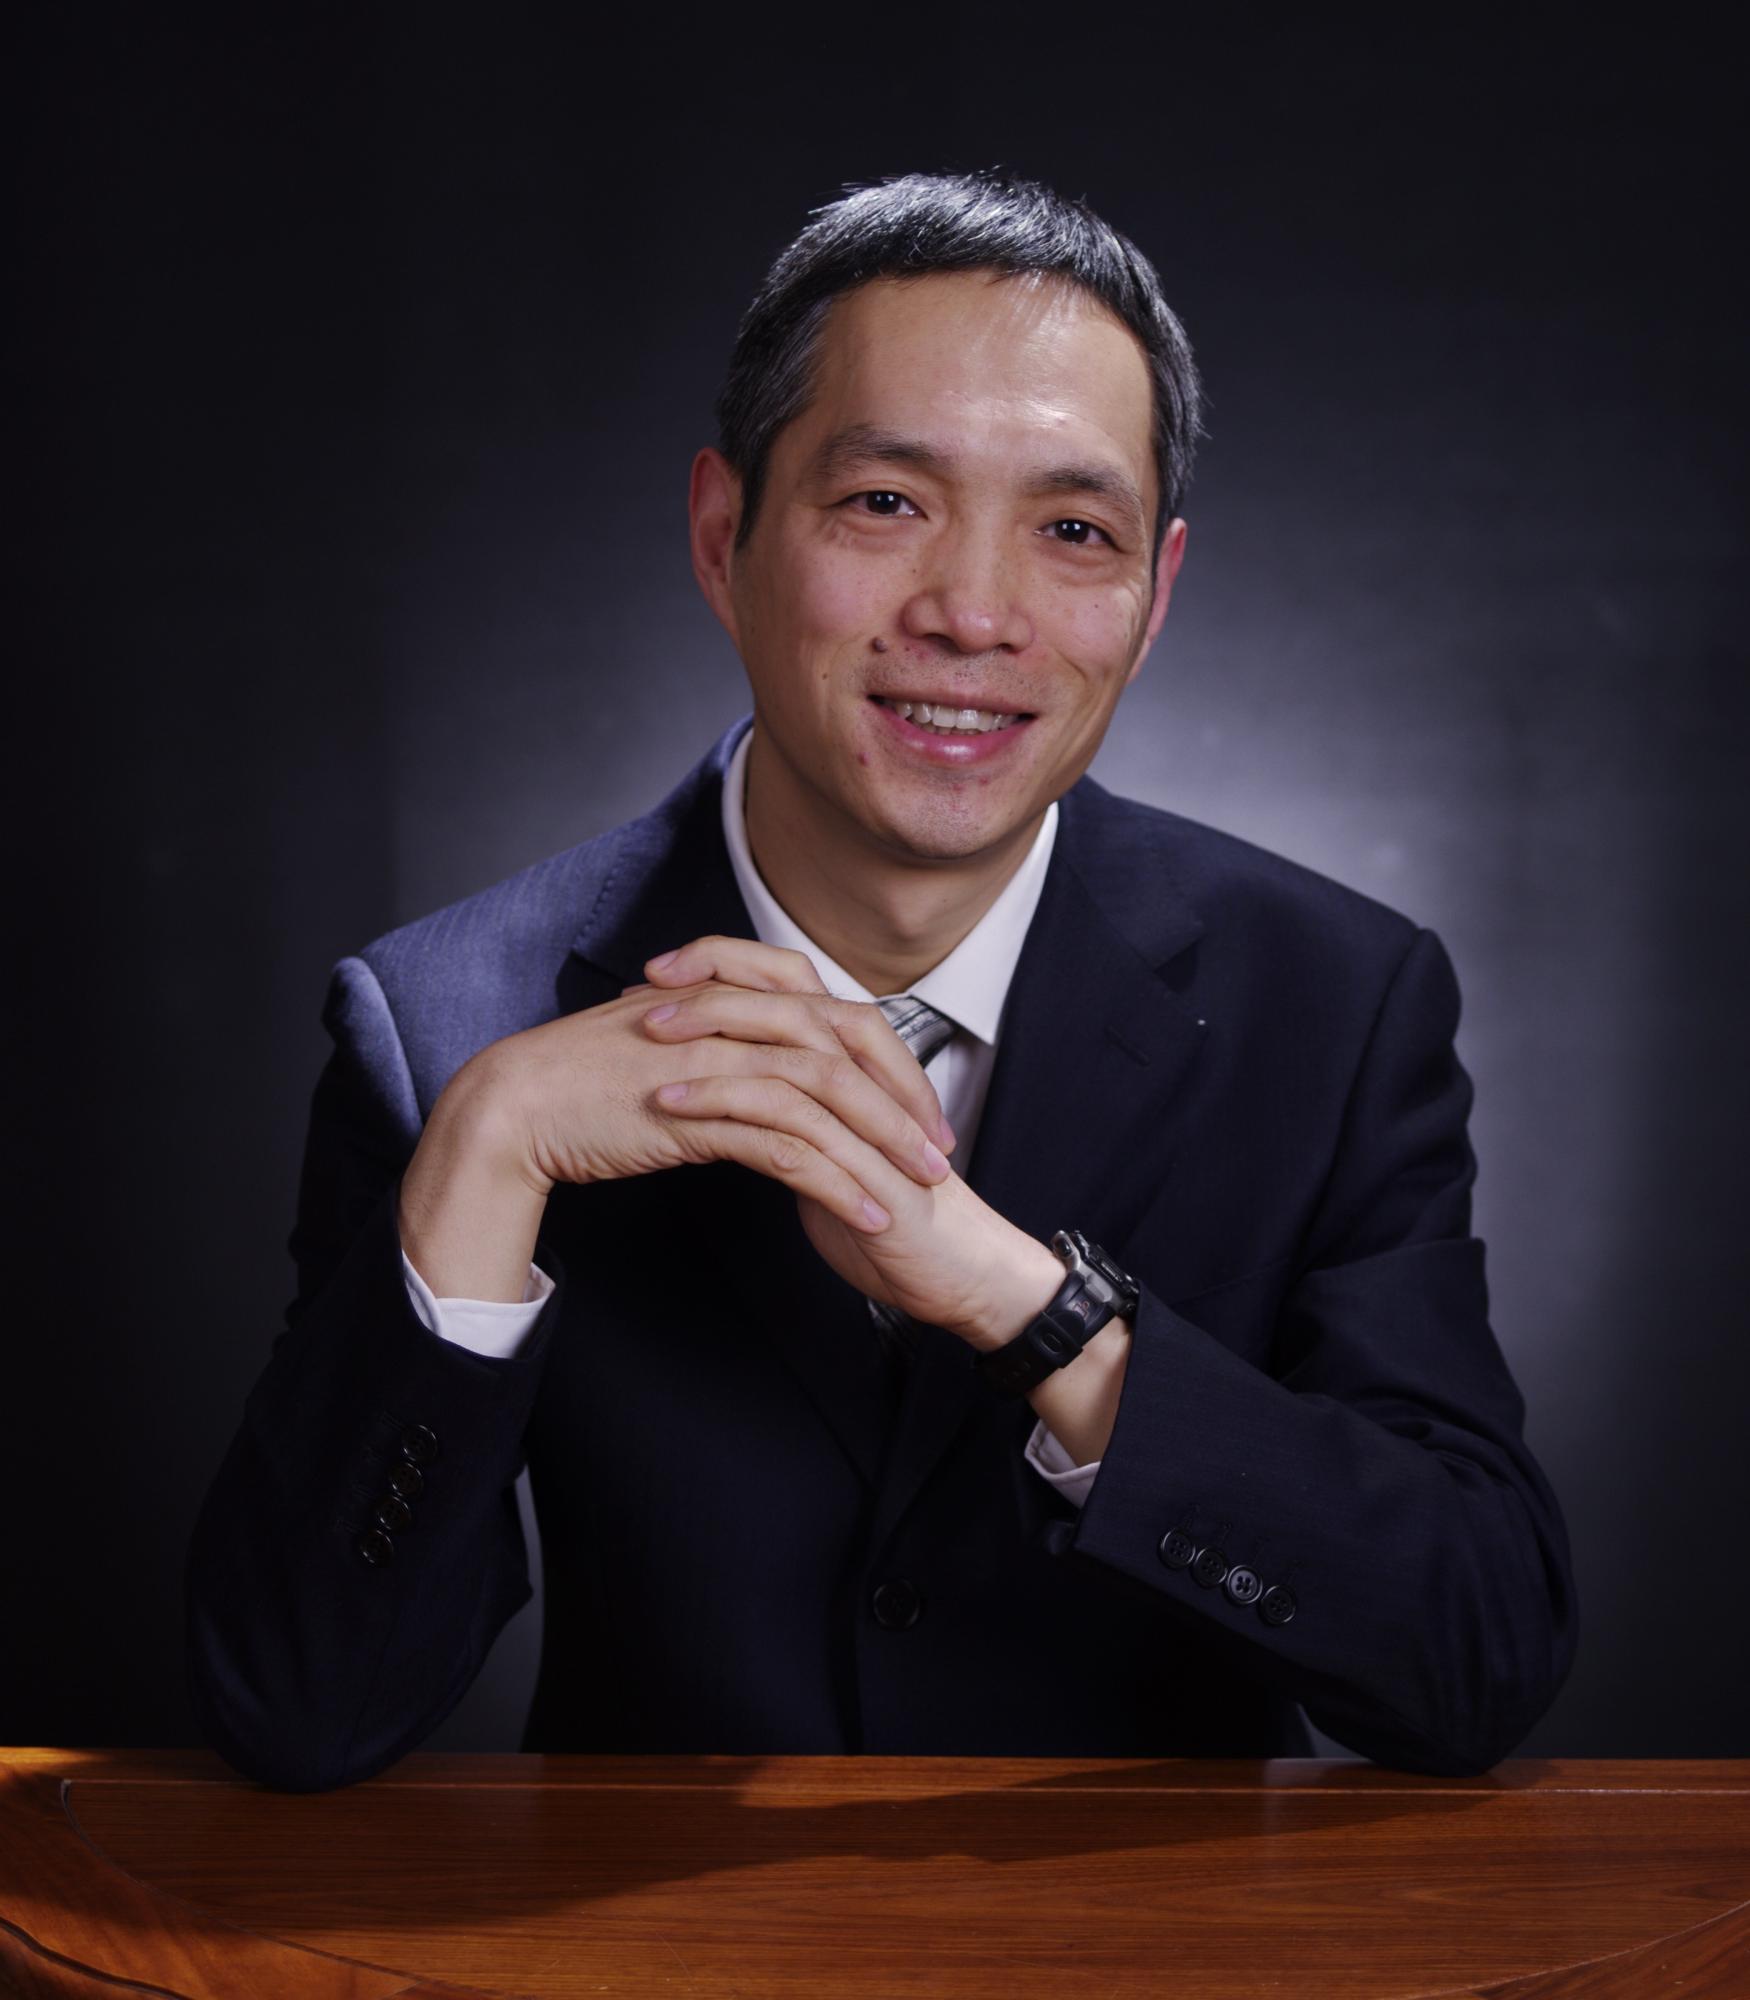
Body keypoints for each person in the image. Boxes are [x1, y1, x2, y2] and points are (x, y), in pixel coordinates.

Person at [185, 169, 1577, 1793]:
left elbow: (1472, 1659)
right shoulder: (447, 1020)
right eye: (883, 503)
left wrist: (1033, 1310)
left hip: (1167, 1922)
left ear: (1153, 599)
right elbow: (302, 1707)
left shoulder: (1333, 1002)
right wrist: (484, 1157)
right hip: (656, 1924)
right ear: (724, 537)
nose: (973, 615)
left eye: (1073, 532)